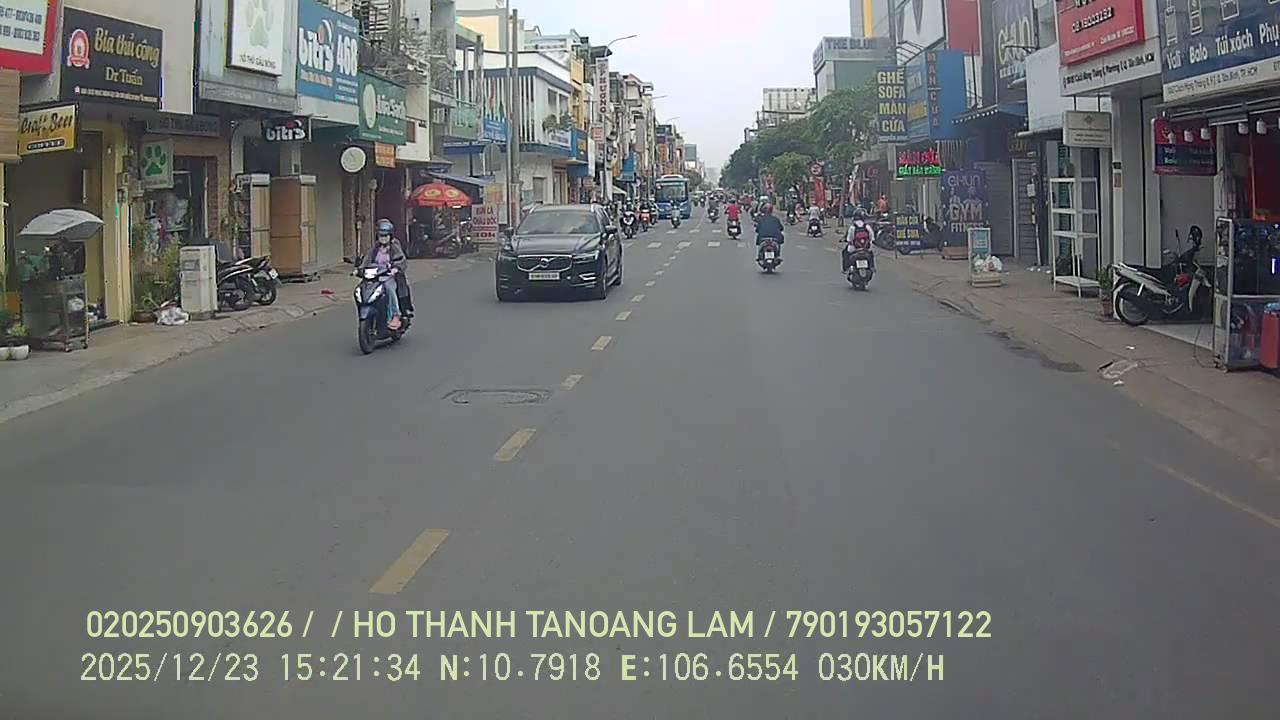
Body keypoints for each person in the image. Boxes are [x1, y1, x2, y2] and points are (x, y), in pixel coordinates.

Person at [361, 219, 410, 330]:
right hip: (375, 278)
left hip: (389, 277)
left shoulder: (394, 248)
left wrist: (395, 268)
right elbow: (366, 260)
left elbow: (401, 260)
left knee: (389, 289)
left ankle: (395, 316)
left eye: (386, 236)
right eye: (381, 236)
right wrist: (359, 269)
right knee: (362, 289)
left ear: (390, 236)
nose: (383, 238)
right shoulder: (374, 249)